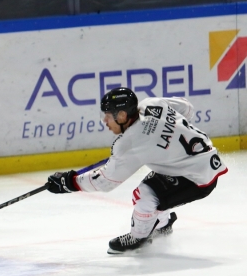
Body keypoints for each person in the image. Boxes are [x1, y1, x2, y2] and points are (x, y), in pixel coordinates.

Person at [47, 87, 228, 254]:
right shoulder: (151, 104)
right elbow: (187, 108)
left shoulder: (130, 143)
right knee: (156, 186)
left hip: (198, 178)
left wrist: (69, 182)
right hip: (202, 159)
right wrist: (170, 131)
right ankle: (163, 223)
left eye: (108, 116)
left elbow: (106, 181)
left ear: (122, 115)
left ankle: (138, 238)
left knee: (145, 194)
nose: (104, 121)